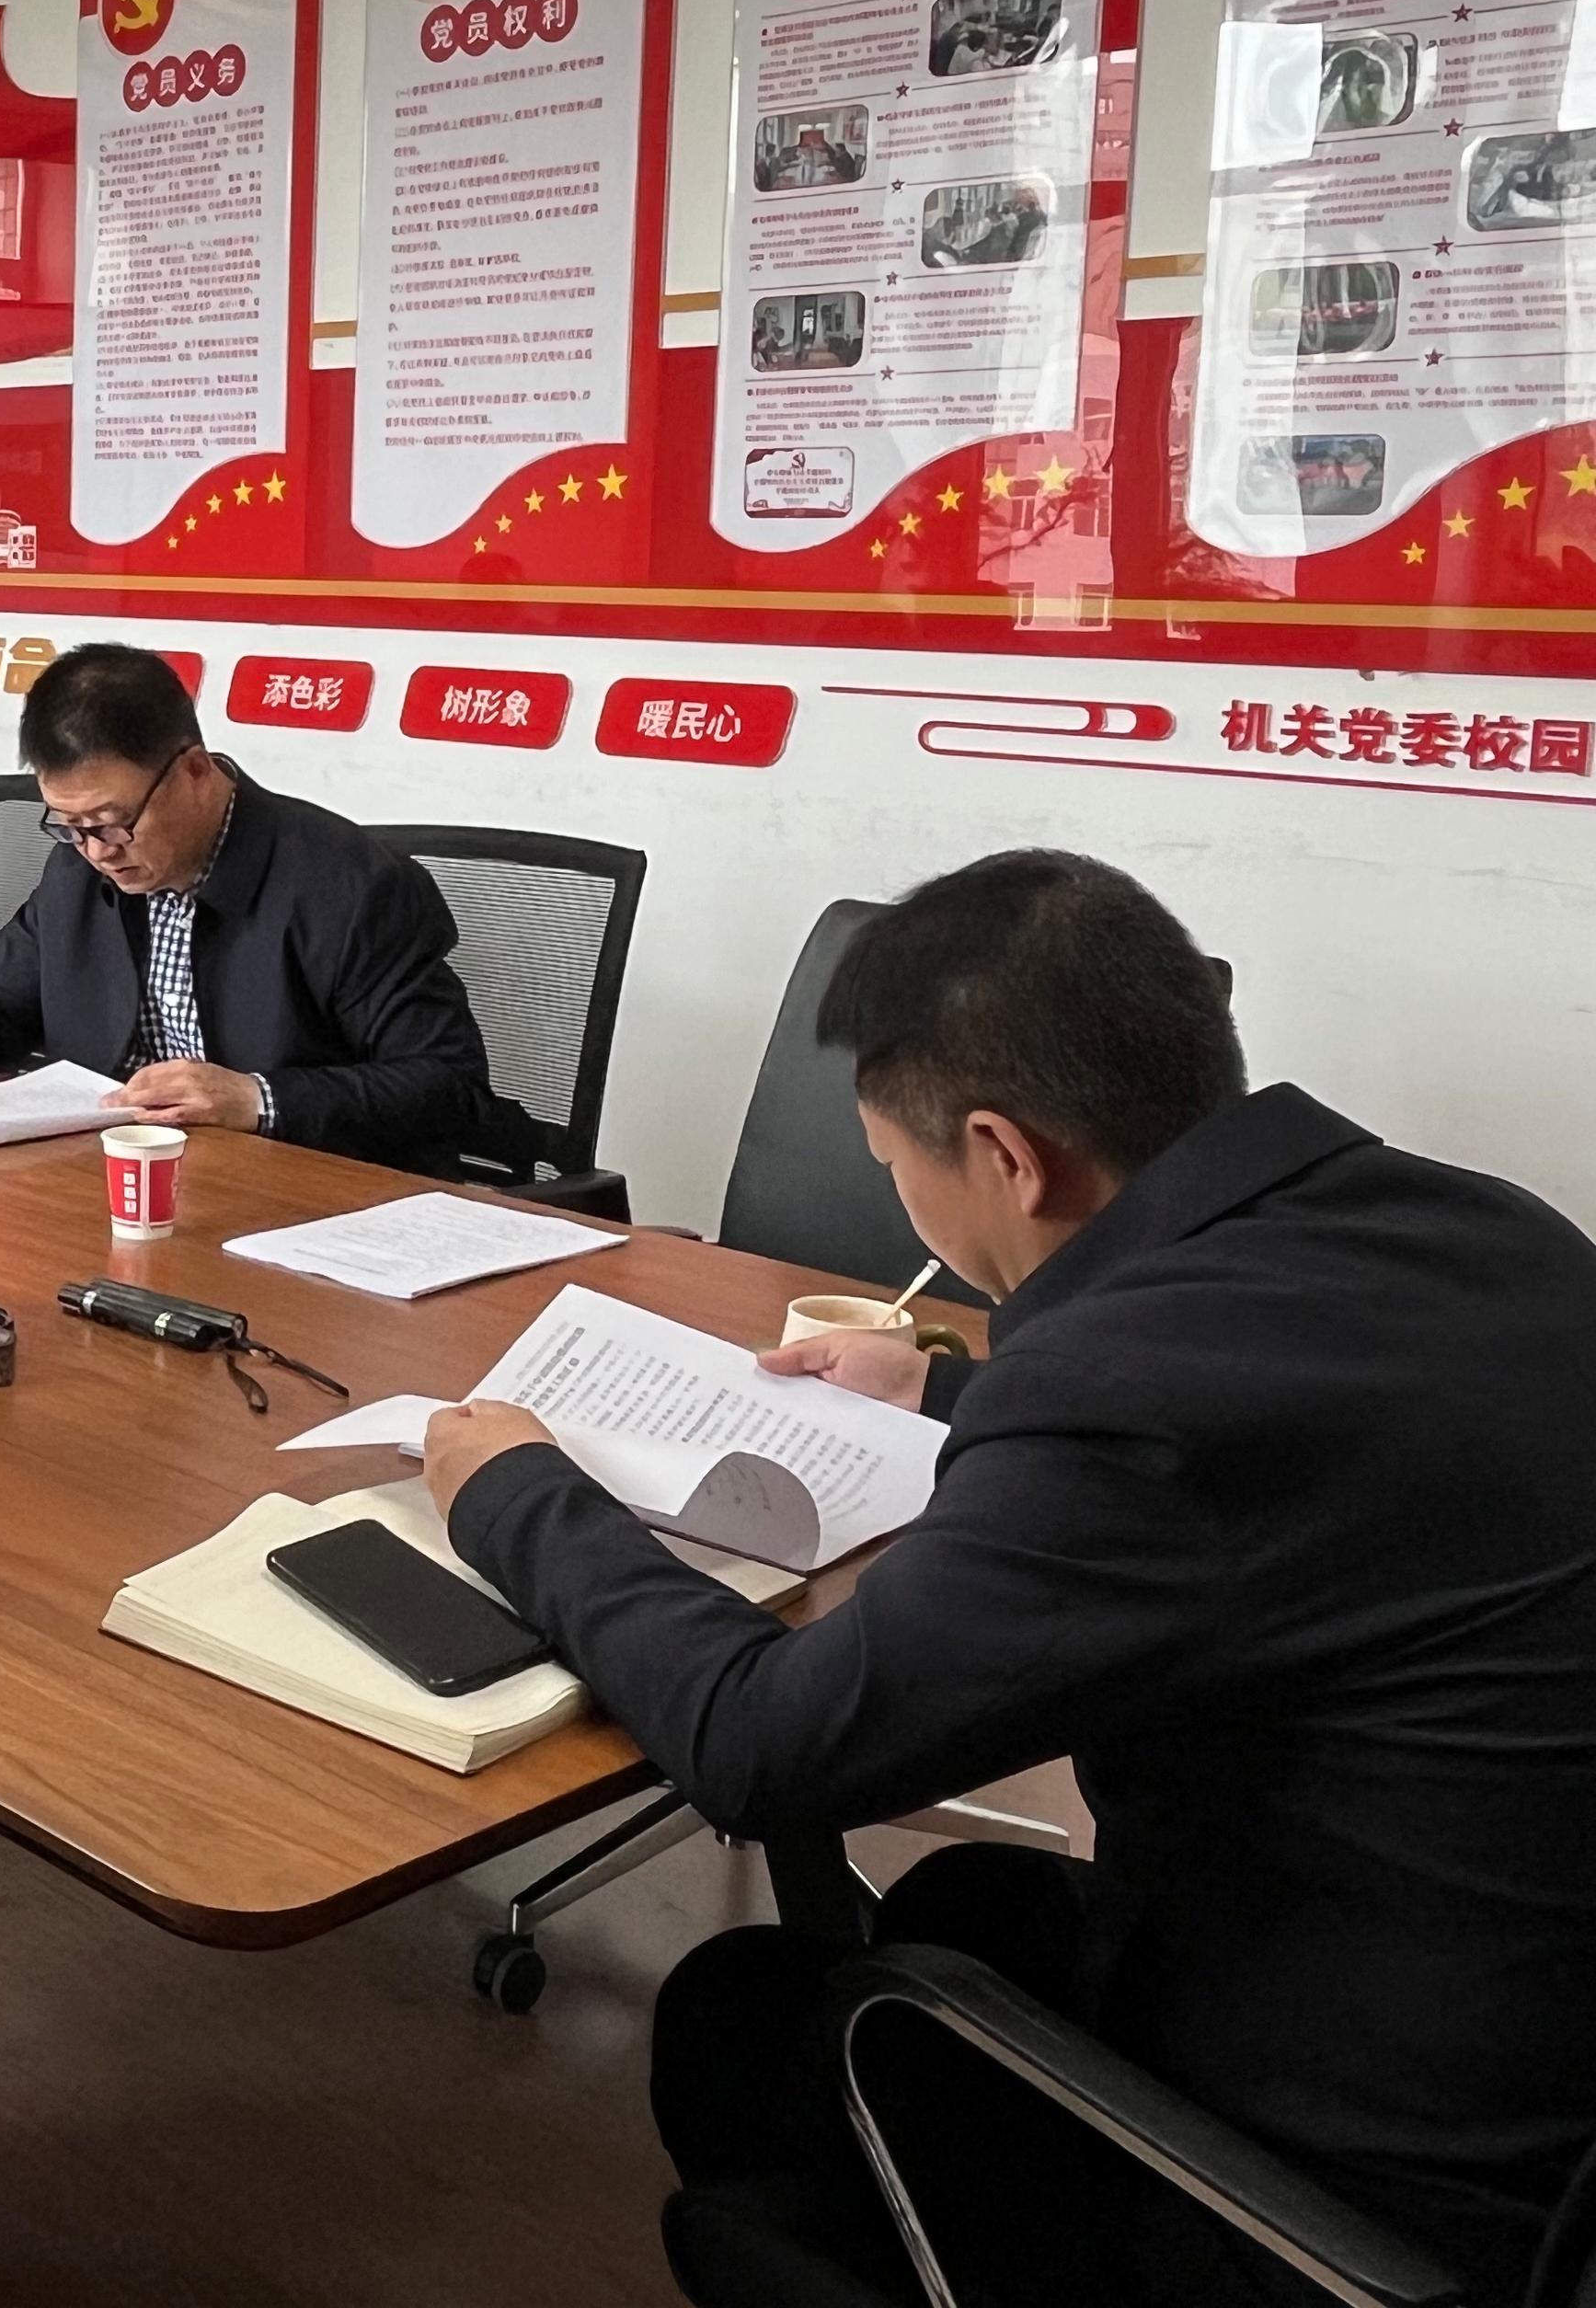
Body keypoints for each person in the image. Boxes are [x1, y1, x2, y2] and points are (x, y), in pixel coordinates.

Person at [419, 851, 1596, 2306]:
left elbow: (766, 1745)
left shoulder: (1131, 1391)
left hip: (1373, 2202)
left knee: (743, 2012)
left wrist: (518, 1494)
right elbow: (1287, 1454)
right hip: (1525, 2040)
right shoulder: (1484, 1230)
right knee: (968, 1901)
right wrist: (944, 1389)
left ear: (1006, 1155)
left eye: (895, 1169)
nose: (904, 1201)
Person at [0, 643, 504, 1164]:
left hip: (296, 1190)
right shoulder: (78, 870)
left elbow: (448, 1085)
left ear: (194, 771)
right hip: (118, 1178)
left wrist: (257, 1098)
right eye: (70, 825)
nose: (96, 850)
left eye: (112, 822)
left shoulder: (349, 887)